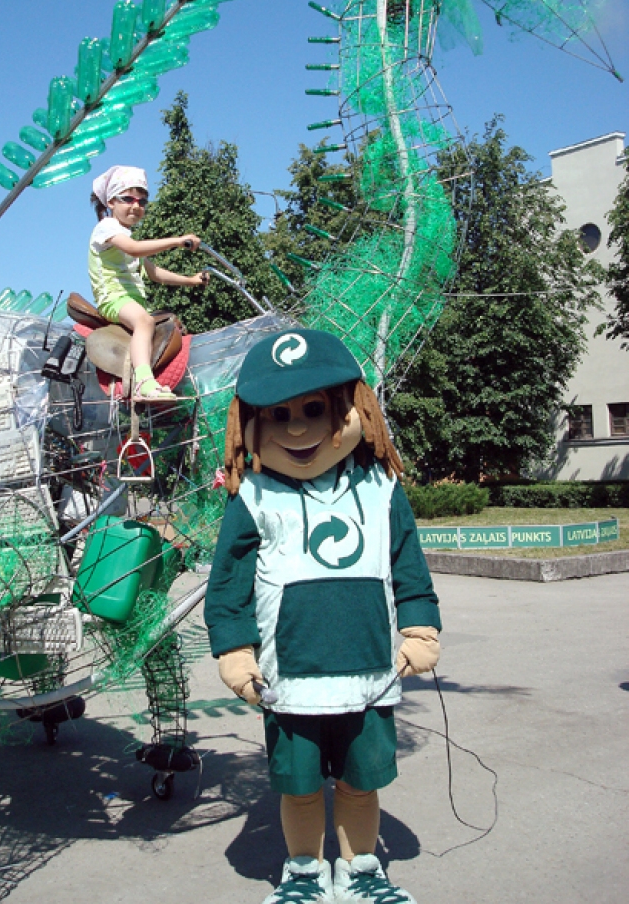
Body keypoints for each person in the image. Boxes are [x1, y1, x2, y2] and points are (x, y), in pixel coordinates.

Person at [204, 328, 441, 904]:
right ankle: (304, 872)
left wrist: (420, 626)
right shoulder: (254, 495)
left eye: (315, 409)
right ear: (250, 424)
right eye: (278, 414)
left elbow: (408, 564)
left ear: (356, 409)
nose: (298, 428)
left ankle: (362, 869)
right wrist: (235, 649)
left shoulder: (382, 487)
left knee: (361, 784)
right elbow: (228, 582)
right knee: (301, 788)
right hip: (289, 681)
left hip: (370, 674)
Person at [89, 164, 209, 400]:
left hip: (131, 300)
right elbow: (134, 250)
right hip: (112, 298)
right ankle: (144, 382)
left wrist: (191, 280)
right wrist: (177, 241)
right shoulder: (107, 228)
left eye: (142, 202)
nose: (136, 206)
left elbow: (155, 273)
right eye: (128, 199)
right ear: (111, 202)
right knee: (145, 321)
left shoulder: (127, 236)